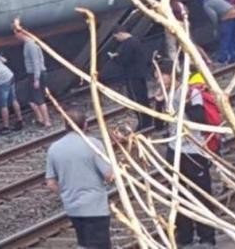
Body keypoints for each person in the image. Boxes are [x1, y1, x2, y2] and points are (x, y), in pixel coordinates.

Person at [157, 59, 216, 247]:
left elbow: (200, 119)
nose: (158, 80)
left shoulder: (192, 91)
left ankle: (206, 237)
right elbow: (159, 126)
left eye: (160, 75)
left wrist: (186, 104)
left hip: (194, 150)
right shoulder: (167, 94)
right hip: (174, 149)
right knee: (177, 194)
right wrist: (159, 104)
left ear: (170, 74)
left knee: (201, 193)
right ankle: (185, 236)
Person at [45, 110, 114, 249]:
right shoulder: (93, 144)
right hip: (95, 207)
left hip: (72, 207)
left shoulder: (54, 148)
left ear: (65, 126)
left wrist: (65, 192)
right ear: (85, 124)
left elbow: (51, 183)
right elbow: (109, 175)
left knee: (83, 243)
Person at [108, 27, 152, 130]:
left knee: (136, 99)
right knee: (143, 98)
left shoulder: (128, 44)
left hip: (132, 75)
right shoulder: (136, 41)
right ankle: (148, 119)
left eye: (116, 37)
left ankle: (143, 122)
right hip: (140, 74)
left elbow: (125, 61)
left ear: (120, 34)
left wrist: (115, 58)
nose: (117, 40)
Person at [16, 29, 52, 127]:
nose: (16, 36)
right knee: (32, 99)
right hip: (33, 74)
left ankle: (47, 121)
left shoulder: (31, 46)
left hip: (37, 74)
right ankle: (40, 119)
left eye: (16, 34)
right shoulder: (27, 45)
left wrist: (36, 78)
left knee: (39, 98)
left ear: (21, 33)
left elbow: (36, 62)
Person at [197, 0, 235, 64]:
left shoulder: (206, 4)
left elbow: (213, 16)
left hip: (226, 17)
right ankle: (234, 56)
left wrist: (216, 27)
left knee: (225, 38)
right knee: (233, 37)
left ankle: (222, 58)